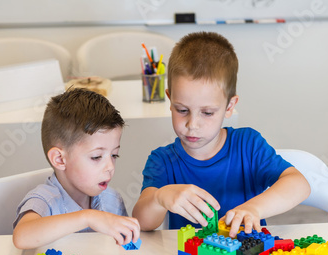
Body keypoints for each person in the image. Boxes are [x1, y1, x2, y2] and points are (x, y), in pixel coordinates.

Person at [132, 31, 310, 238]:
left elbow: (299, 184)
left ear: (229, 107)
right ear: (170, 100)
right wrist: (159, 197)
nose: (192, 124)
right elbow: (143, 223)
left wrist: (254, 209)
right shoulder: (162, 161)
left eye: (207, 113)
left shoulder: (249, 146)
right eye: (182, 110)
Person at [12, 88, 140, 249]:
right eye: (96, 157)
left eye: (114, 155)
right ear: (59, 159)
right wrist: (88, 217)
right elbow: (22, 237)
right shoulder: (45, 200)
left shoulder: (112, 200)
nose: (110, 167)